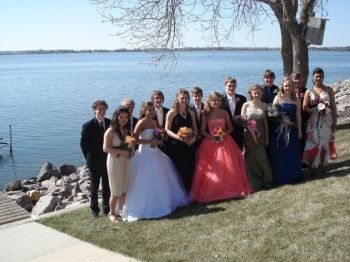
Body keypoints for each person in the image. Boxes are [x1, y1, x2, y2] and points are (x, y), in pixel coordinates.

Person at [123, 102, 189, 221]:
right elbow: (135, 140)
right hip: (144, 154)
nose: (151, 112)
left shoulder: (154, 122)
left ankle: (163, 202)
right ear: (144, 110)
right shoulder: (141, 122)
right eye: (149, 110)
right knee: (145, 180)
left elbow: (158, 134)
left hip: (155, 153)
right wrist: (150, 143)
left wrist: (160, 138)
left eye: (153, 110)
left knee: (161, 177)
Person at [191, 91, 253, 203]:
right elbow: (203, 131)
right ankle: (214, 190)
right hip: (210, 142)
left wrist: (223, 134)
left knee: (229, 166)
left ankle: (230, 188)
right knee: (213, 167)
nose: (216, 102)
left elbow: (230, 128)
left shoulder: (224, 113)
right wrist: (213, 138)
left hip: (225, 141)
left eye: (218, 100)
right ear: (209, 101)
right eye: (214, 100)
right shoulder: (206, 113)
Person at [302, 68, 337, 176]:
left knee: (324, 143)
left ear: (323, 77)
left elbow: (333, 106)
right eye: (316, 76)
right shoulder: (309, 91)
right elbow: (304, 107)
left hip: (327, 121)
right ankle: (312, 166)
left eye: (320, 76)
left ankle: (321, 166)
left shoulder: (329, 90)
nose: (318, 78)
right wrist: (314, 110)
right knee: (313, 143)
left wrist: (334, 121)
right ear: (313, 77)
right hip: (314, 122)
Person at [80, 100, 111, 218]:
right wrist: (88, 158)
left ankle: (106, 208)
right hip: (94, 161)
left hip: (107, 160)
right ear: (94, 110)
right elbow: (83, 145)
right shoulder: (88, 125)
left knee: (107, 186)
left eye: (104, 109)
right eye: (100, 109)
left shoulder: (110, 123)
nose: (102, 111)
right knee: (94, 187)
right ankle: (94, 210)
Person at [269, 77, 302, 185]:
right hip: (279, 131)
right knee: (280, 153)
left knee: (292, 152)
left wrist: (300, 130)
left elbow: (298, 116)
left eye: (290, 86)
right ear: (282, 87)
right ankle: (281, 176)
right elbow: (272, 113)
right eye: (286, 86)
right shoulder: (278, 98)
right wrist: (282, 119)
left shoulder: (296, 99)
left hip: (292, 129)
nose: (288, 88)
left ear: (293, 87)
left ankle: (294, 176)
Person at [241, 84, 273, 191]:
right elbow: (242, 121)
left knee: (263, 158)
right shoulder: (246, 105)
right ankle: (254, 182)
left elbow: (266, 123)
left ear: (261, 93)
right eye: (254, 92)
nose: (256, 94)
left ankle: (267, 180)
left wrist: (267, 137)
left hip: (261, 135)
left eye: (259, 92)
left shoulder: (264, 106)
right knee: (250, 159)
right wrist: (250, 127)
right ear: (250, 93)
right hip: (249, 135)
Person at [165, 88, 198, 191]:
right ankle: (181, 190)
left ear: (188, 99)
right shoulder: (172, 113)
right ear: (177, 99)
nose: (184, 100)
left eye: (186, 98)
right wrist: (179, 138)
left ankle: (190, 190)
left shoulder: (191, 112)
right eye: (182, 98)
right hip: (177, 145)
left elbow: (195, 129)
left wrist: (193, 138)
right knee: (180, 168)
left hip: (190, 144)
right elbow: (166, 130)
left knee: (190, 166)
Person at [103, 106, 131, 223]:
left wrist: (130, 150)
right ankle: (111, 213)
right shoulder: (110, 131)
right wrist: (121, 151)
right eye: (121, 117)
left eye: (126, 117)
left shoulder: (126, 130)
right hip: (114, 160)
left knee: (124, 188)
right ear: (116, 117)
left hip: (125, 160)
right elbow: (105, 148)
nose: (123, 119)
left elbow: (130, 145)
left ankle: (121, 210)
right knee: (116, 190)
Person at [220, 77, 246, 150]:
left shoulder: (242, 99)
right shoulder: (220, 99)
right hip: (225, 131)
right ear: (225, 86)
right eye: (229, 86)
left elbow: (245, 114)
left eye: (234, 86)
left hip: (238, 131)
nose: (231, 88)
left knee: (238, 153)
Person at [292, 73, 309, 156]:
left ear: (302, 80)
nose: (297, 81)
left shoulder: (306, 91)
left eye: (299, 79)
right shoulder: (289, 92)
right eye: (295, 79)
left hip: (303, 119)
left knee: (302, 140)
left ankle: (303, 159)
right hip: (292, 119)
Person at [189, 86, 204, 151]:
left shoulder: (207, 107)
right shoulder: (188, 108)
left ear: (202, 96)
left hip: (205, 136)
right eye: (195, 96)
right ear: (192, 97)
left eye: (199, 96)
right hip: (192, 137)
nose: (197, 98)